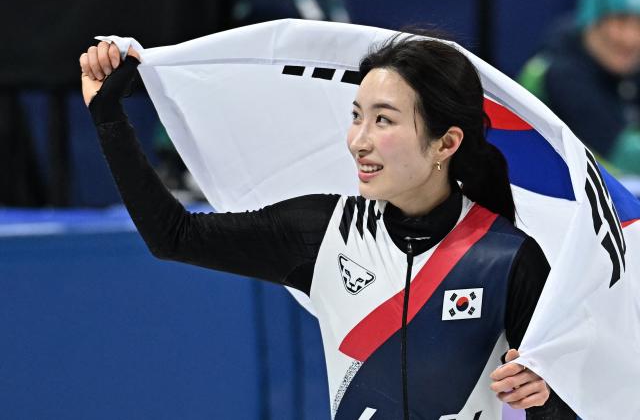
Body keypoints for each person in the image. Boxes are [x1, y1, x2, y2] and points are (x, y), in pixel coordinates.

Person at [79, 35, 576, 418]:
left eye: (384, 121)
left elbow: (561, 403)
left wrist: (547, 396)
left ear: (445, 143)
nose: (358, 140)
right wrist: (108, 116)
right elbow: (174, 236)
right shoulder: (321, 232)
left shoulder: (509, 258)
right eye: (357, 116)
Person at [519, 0, 640, 176]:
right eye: (619, 21)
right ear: (591, 22)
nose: (630, 38)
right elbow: (623, 157)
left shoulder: (623, 69)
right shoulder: (562, 73)